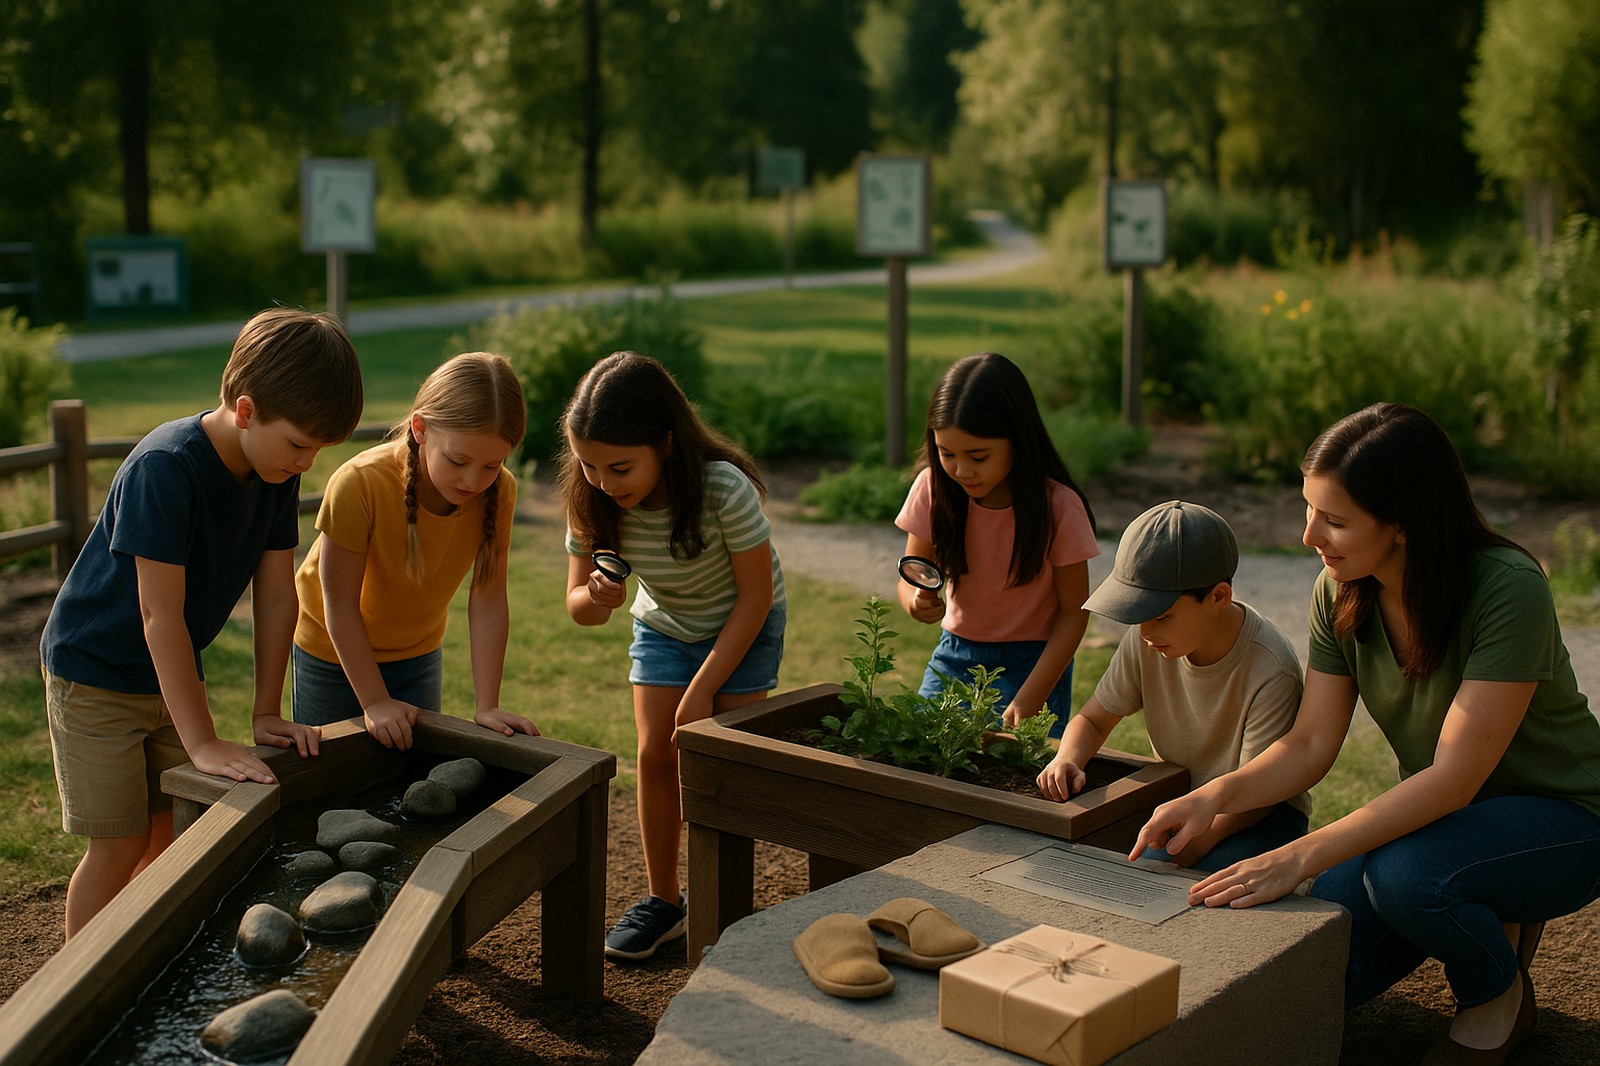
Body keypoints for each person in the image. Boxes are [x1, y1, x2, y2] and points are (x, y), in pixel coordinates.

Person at [1131, 403, 1600, 1064]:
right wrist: (1216, 797)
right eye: (1308, 508)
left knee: (1407, 876)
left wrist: (1298, 855)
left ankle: (1498, 995)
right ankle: (1490, 909)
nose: (1307, 535)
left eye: (1335, 519)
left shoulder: (1507, 589)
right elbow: (1310, 744)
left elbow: (1455, 777)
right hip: (1443, 821)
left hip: (1566, 820)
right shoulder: (1340, 589)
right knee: (1317, 974)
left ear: (1404, 523)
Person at [40, 307, 364, 938]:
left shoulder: (272, 474)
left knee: (170, 826)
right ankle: (73, 991)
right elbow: (158, 616)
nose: (307, 463)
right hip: (95, 676)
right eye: (300, 444)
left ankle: (135, 953)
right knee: (119, 841)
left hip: (169, 677)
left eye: (319, 452)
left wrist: (266, 710)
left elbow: (276, 598)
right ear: (246, 410)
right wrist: (203, 740)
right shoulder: (166, 467)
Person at [561, 351, 786, 960]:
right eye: (589, 465)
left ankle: (728, 904)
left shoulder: (721, 489)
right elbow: (579, 606)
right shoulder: (592, 498)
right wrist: (597, 595)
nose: (605, 482)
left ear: (665, 442)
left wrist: (703, 689)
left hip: (745, 621)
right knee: (654, 752)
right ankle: (665, 903)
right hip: (665, 625)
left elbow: (756, 598)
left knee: (721, 765)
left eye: (621, 466)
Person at [1036, 500, 1309, 872]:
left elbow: (1256, 796)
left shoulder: (1271, 669)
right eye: (1140, 615)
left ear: (1218, 597)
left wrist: (1192, 845)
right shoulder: (1148, 638)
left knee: (1186, 884)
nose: (1146, 632)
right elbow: (1095, 719)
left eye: (1162, 616)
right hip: (1176, 798)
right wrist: (1068, 757)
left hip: (1255, 815)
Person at [292, 352, 538, 747]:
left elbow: (488, 597)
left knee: (413, 785)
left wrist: (487, 705)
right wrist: (374, 701)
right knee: (329, 790)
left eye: (492, 465)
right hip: (332, 656)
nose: (474, 480)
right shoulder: (359, 483)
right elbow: (338, 602)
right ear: (420, 428)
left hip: (417, 656)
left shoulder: (500, 491)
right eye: (458, 461)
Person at [895, 352, 1098, 738]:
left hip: (1034, 663)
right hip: (954, 653)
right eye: (947, 453)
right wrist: (915, 600)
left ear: (1018, 440)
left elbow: (1075, 612)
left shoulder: (1057, 507)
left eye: (978, 456)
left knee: (1014, 779)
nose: (961, 470)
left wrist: (1032, 695)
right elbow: (912, 572)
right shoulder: (934, 488)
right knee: (920, 754)